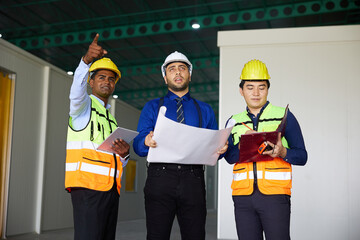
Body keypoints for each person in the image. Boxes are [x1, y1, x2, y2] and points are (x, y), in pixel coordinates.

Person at [133, 51, 228, 240]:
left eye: (182, 68)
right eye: (172, 69)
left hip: (193, 179)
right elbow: (138, 145)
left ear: (189, 75)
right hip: (160, 178)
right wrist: (145, 140)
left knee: (195, 236)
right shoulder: (152, 107)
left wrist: (221, 149)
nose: (177, 72)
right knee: (156, 235)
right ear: (165, 76)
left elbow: (215, 146)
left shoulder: (205, 110)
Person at [223, 59, 307, 240]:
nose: (255, 93)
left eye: (261, 87)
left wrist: (283, 152)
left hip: (275, 197)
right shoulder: (233, 121)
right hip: (243, 198)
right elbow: (230, 157)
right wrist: (246, 143)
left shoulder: (283, 116)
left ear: (268, 89)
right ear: (241, 90)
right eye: (249, 87)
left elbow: (302, 156)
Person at [65, 33, 130, 240]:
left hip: (110, 190)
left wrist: (124, 155)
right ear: (90, 82)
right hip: (87, 189)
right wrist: (86, 62)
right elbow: (76, 93)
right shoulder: (83, 108)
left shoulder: (111, 119)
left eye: (111, 79)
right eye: (101, 77)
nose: (107, 82)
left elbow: (110, 158)